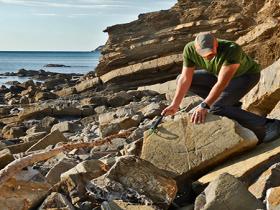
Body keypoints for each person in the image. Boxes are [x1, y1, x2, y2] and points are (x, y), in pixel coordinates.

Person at [162, 32, 280, 142]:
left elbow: (222, 83)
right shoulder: (189, 49)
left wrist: (205, 105)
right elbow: (185, 78)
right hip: (218, 75)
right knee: (179, 79)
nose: (208, 56)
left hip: (245, 76)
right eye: (203, 53)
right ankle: (231, 106)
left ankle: (270, 125)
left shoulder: (232, 49)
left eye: (211, 52)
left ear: (216, 44)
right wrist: (175, 104)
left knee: (215, 108)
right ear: (195, 48)